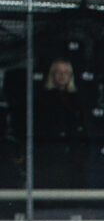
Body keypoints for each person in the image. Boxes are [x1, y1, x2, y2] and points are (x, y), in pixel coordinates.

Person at [34, 58, 86, 190]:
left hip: (71, 147)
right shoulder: (43, 98)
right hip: (52, 146)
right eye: (58, 72)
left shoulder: (77, 98)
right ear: (52, 75)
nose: (62, 76)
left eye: (66, 72)